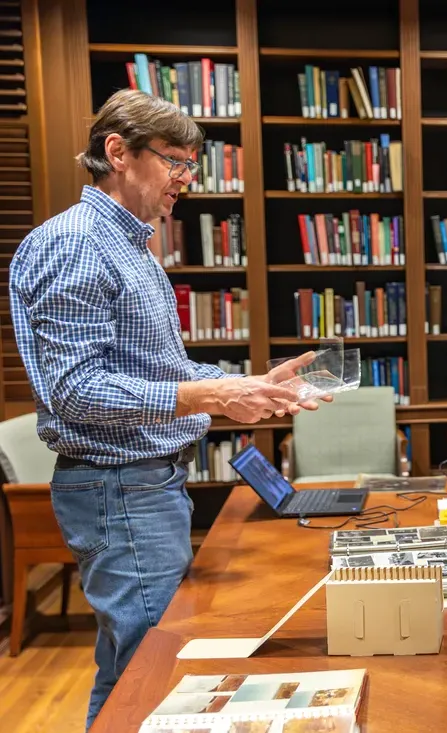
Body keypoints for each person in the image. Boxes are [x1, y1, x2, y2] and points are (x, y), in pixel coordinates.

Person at [9, 89, 327, 729]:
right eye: (175, 160)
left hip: (146, 485)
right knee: (154, 672)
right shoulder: (75, 244)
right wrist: (209, 396)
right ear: (117, 153)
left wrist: (247, 386)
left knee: (132, 668)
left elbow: (163, 374)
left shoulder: (134, 245)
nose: (186, 178)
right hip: (117, 488)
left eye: (191, 164)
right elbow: (75, 391)